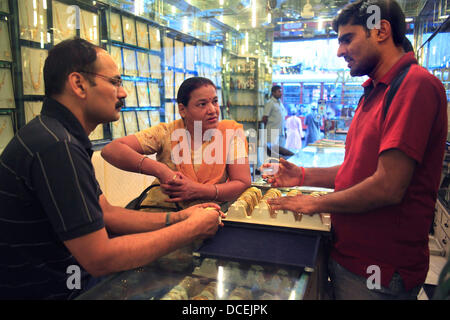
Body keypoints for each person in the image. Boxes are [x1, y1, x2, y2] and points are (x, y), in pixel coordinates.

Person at [0, 38, 223, 300]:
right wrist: (191, 229)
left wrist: (180, 218)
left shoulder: (58, 136)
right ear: (78, 84)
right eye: (114, 82)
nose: (123, 92)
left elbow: (106, 212)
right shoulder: (56, 146)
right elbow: (100, 258)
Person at [263, 0, 447, 300]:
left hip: (378, 270)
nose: (339, 51)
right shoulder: (374, 91)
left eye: (347, 39)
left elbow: (388, 187)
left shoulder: (414, 86)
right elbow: (358, 170)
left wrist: (316, 204)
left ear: (381, 30)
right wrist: (303, 175)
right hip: (350, 256)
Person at [101, 77, 251, 209]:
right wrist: (160, 170)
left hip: (212, 217)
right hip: (163, 213)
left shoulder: (230, 133)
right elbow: (111, 150)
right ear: (182, 110)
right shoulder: (166, 133)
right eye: (202, 104)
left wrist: (198, 190)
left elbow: (242, 182)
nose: (212, 110)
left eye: (215, 101)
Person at [262, 85, 287, 149]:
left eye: (281, 92)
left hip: (281, 132)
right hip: (273, 132)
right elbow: (264, 118)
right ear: (273, 93)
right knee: (273, 153)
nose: (281, 93)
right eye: (279, 92)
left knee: (280, 153)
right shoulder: (270, 103)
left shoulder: (280, 103)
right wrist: (269, 128)